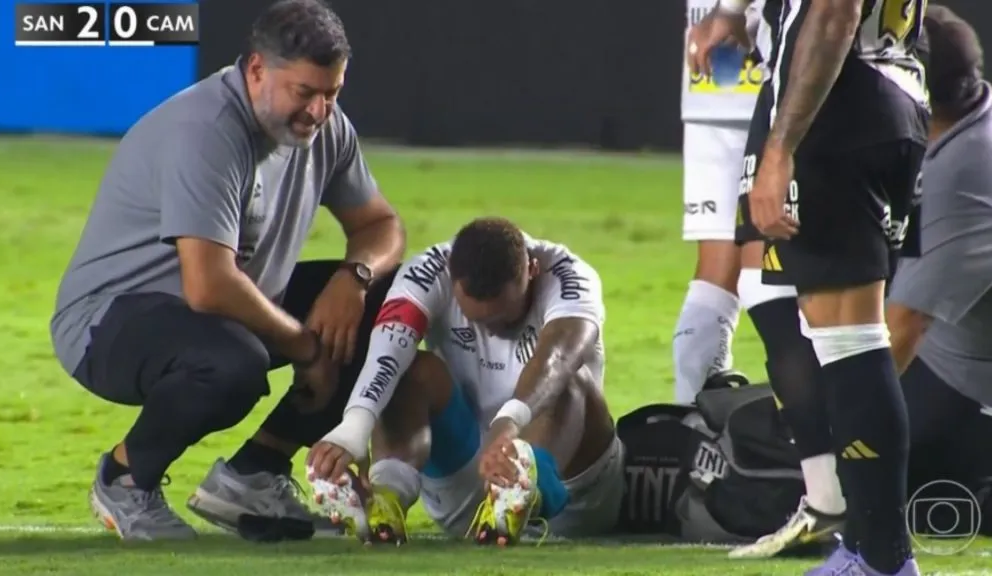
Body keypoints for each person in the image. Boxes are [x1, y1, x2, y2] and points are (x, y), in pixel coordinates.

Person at [49, 0, 406, 541]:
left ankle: (253, 474)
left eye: (331, 93)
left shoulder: (328, 129)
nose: (318, 111)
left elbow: (382, 226)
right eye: (304, 93)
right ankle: (123, 477)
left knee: (392, 299)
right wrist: (307, 348)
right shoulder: (207, 129)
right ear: (257, 69)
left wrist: (353, 279)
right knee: (232, 363)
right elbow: (209, 286)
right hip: (110, 323)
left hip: (226, 308)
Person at [692, 0, 929, 574]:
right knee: (824, 322)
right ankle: (865, 543)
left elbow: (835, 9)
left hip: (838, 101)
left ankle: (883, 558)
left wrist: (780, 147)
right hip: (889, 87)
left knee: (849, 335)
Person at [303, 217, 624, 545]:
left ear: (532, 270)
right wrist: (354, 427)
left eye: (504, 318)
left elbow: (558, 358)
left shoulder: (571, 276)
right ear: (452, 280)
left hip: (575, 497)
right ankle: (385, 499)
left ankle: (527, 493)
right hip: (469, 481)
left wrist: (507, 426)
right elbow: (388, 350)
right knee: (412, 368)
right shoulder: (428, 271)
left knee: (570, 380)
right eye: (477, 320)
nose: (490, 330)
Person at [689, 0, 847, 559]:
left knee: (835, 318)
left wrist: (777, 149)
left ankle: (844, 505)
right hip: (873, 82)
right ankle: (843, 500)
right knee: (818, 304)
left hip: (823, 82)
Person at [887, 3, 992, 536]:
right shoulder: (973, 126)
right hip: (958, 362)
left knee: (839, 473)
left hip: (969, 389)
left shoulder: (963, 170)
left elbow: (905, 325)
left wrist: (845, 432)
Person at [674, 0, 771, 404]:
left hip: (713, 74)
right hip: (779, 61)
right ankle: (810, 449)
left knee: (718, 273)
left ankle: (695, 429)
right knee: (776, 276)